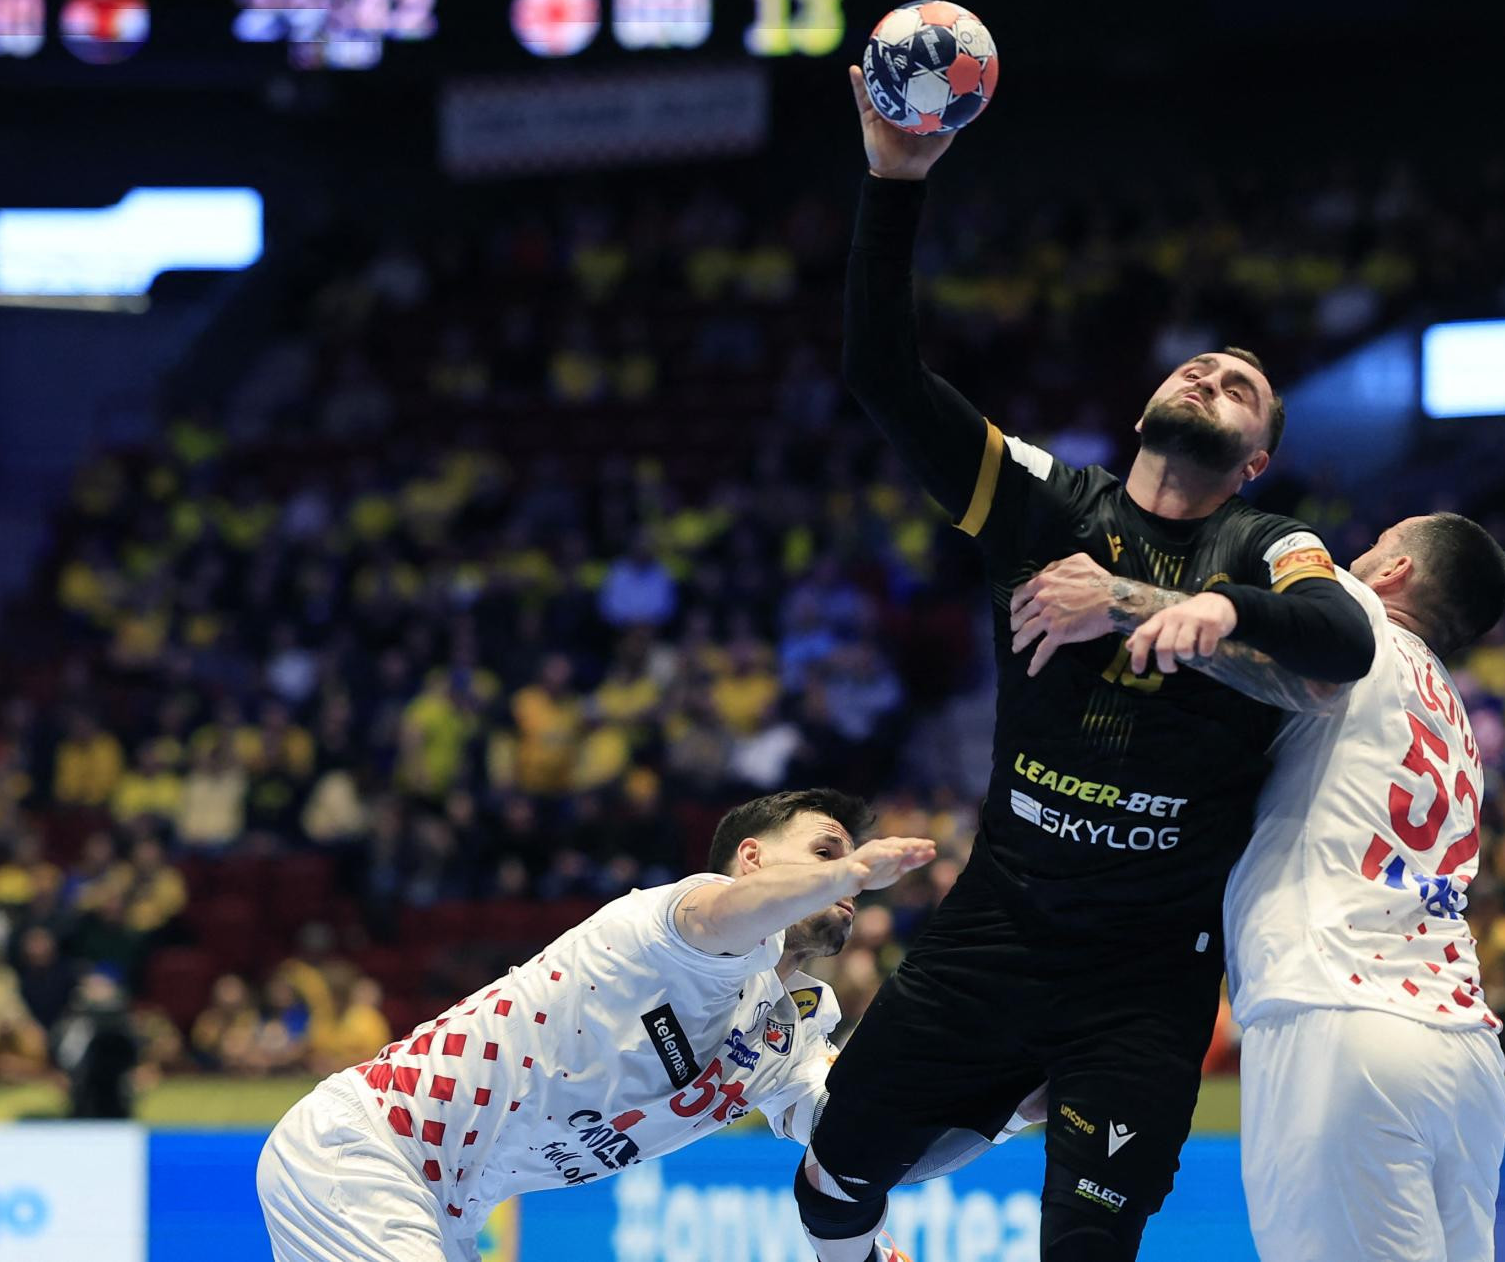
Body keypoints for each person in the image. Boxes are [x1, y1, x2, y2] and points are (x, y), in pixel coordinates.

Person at [797, 68, 1378, 1262]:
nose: (1211, 377)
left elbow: (1345, 639)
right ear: (1146, 406)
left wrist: (1156, 603)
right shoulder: (1049, 502)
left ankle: (1028, 1107)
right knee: (829, 1182)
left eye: (1242, 387)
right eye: (1197, 367)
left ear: (1257, 459)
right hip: (996, 929)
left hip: (1147, 976)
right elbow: (883, 376)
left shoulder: (1267, 545)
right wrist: (894, 181)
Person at [256, 789, 946, 1262]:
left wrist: (985, 1103)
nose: (847, 878)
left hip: (450, 1209)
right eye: (824, 851)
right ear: (752, 859)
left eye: (846, 862)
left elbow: (849, 1138)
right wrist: (851, 871)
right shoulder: (673, 922)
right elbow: (728, 915)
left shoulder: (791, 1029)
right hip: (369, 1146)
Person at [1157, 514, 1505, 1261]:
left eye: (1379, 542)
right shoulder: (1457, 718)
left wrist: (1107, 597)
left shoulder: (1351, 616)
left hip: (1340, 1008)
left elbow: (1198, 623)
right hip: (1464, 1052)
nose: (1361, 553)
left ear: (1395, 572)